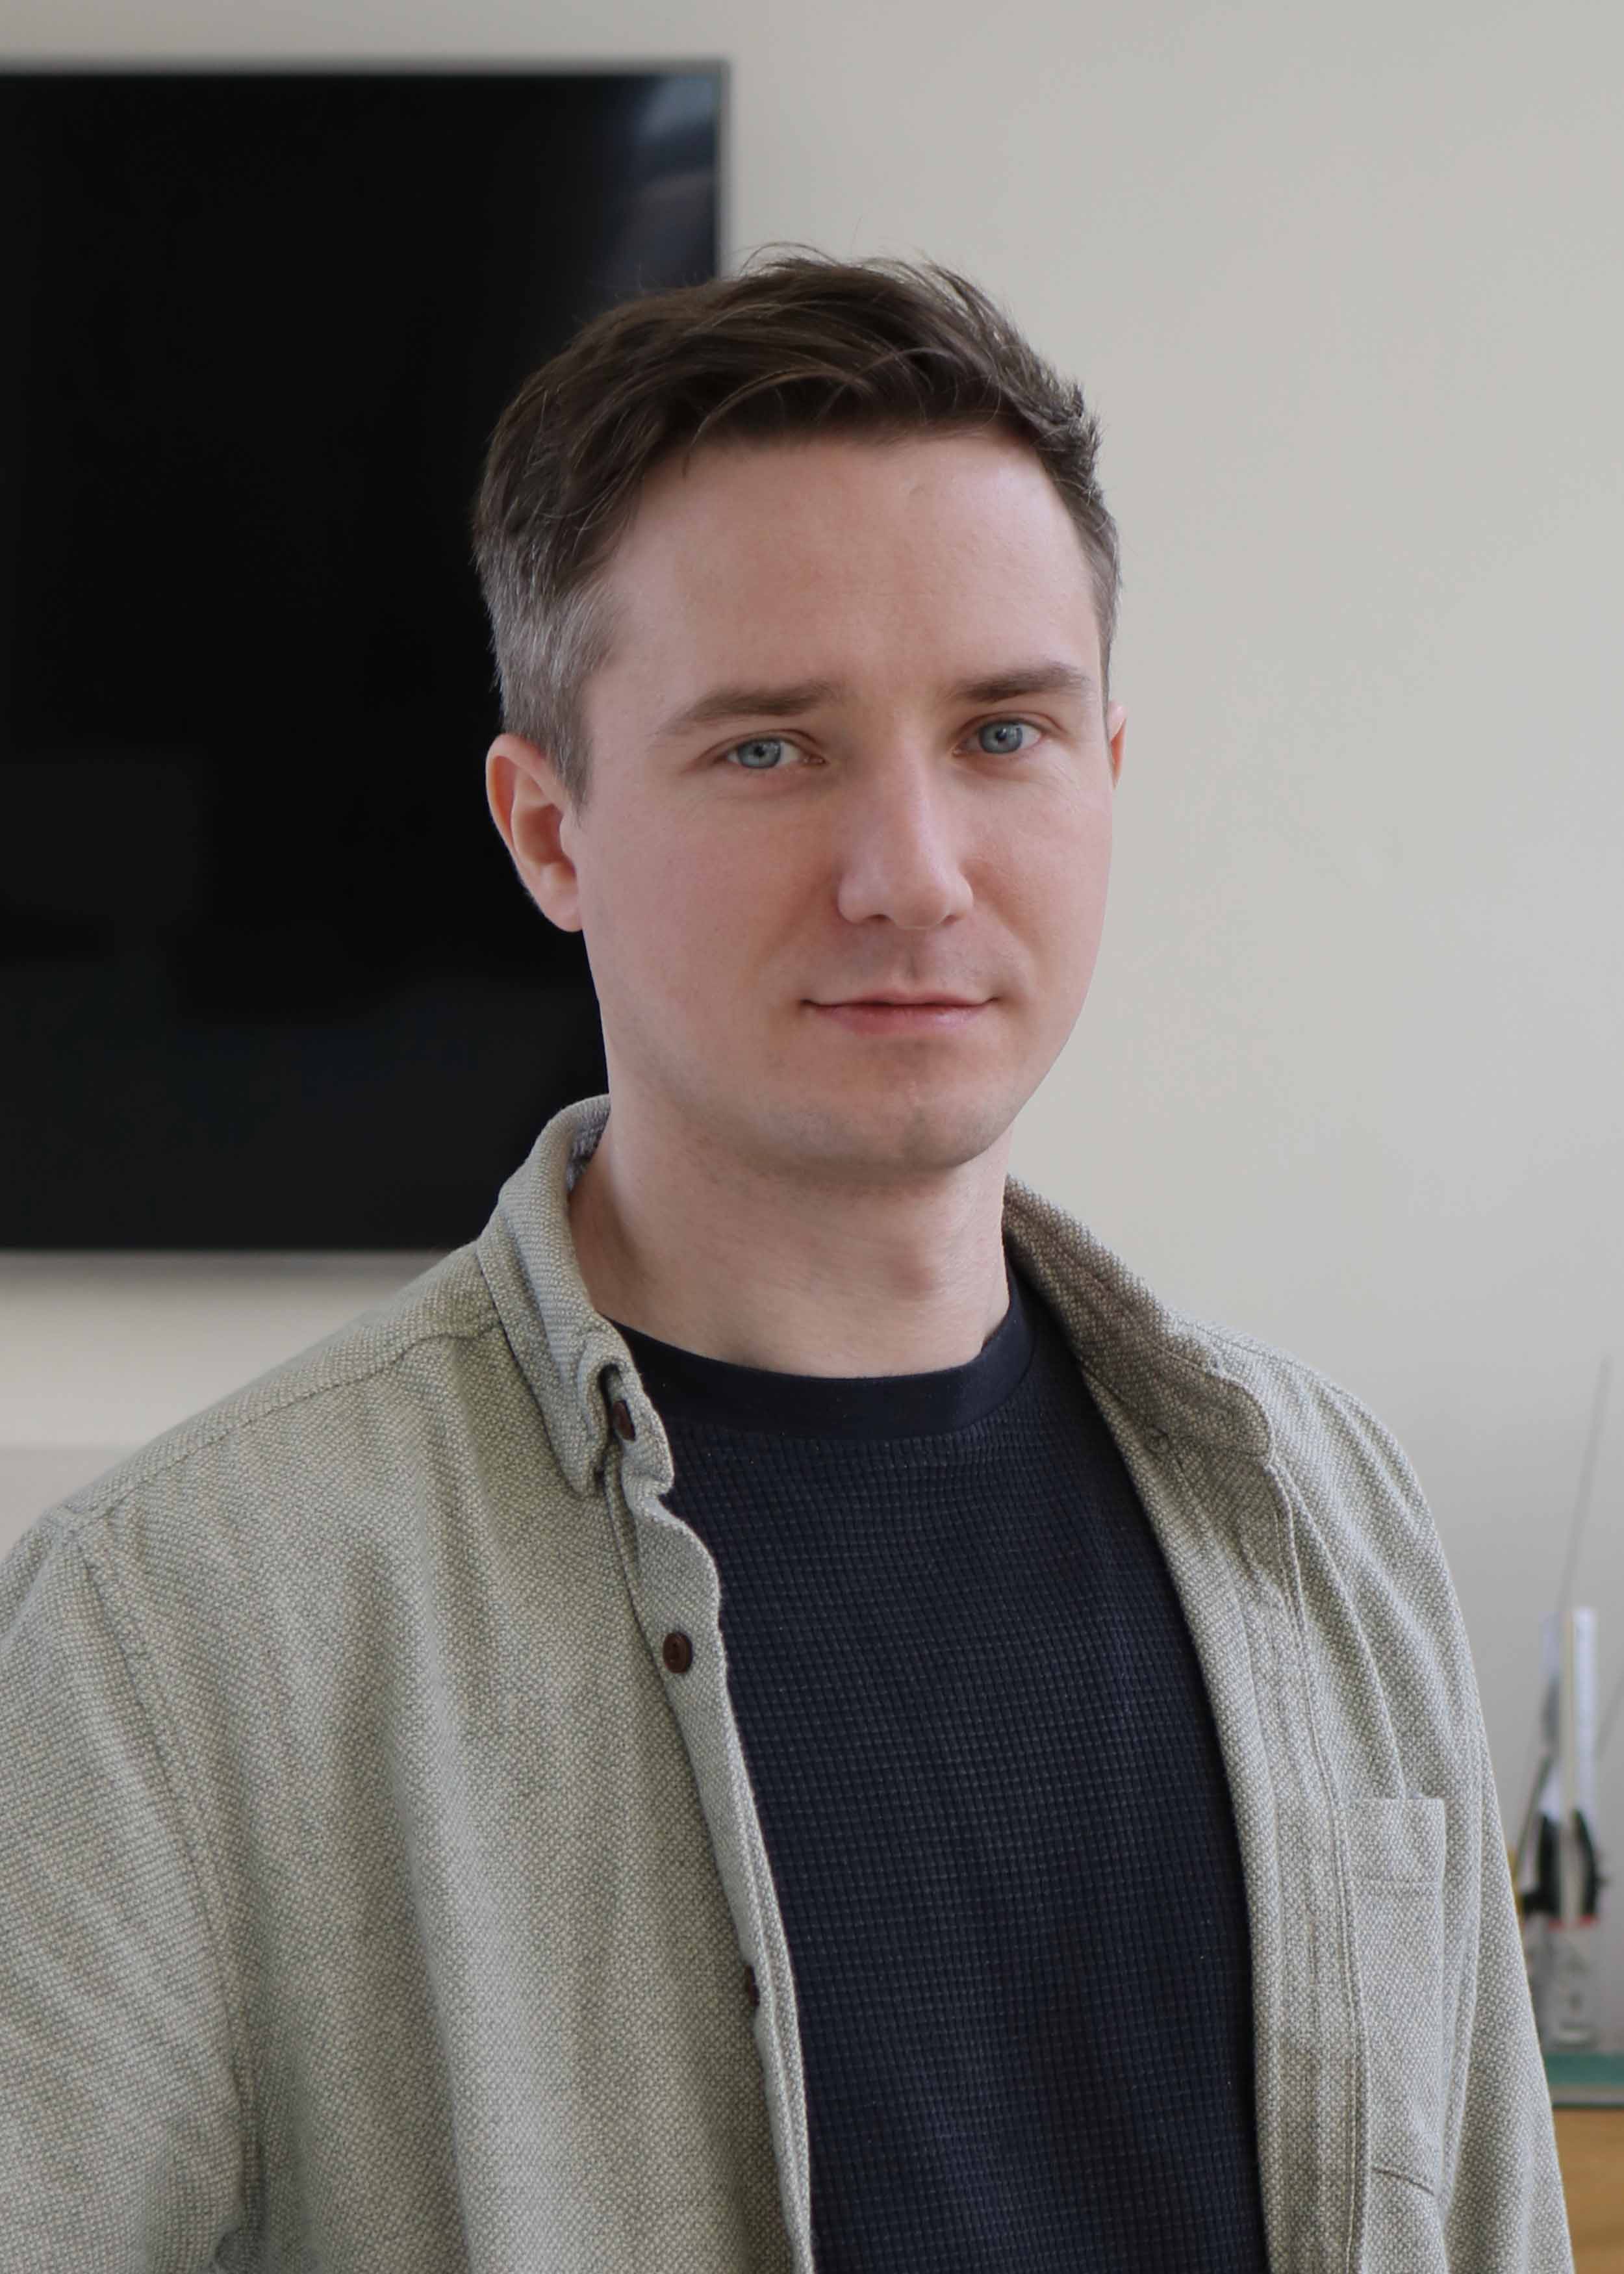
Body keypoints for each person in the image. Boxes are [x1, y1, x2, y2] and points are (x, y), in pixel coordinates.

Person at [0, 248, 1572, 2274]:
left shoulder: (1328, 1517)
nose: (910, 871)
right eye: (769, 748)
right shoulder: (170, 1630)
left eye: (1000, 732)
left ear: (1105, 775)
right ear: (546, 830)